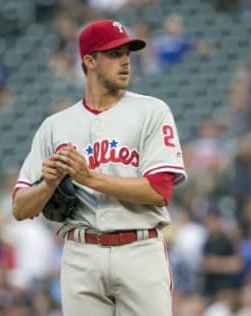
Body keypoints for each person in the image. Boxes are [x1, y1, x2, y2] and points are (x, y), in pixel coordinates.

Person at [11, 19, 187, 316]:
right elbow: (20, 208)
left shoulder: (152, 111)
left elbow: (160, 190)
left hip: (139, 248)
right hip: (81, 252)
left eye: (127, 54)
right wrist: (48, 184)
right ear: (89, 61)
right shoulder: (55, 127)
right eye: (114, 54)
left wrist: (88, 177)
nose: (125, 62)